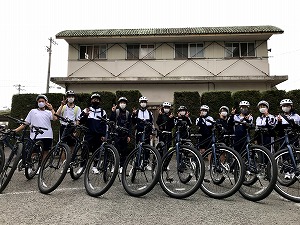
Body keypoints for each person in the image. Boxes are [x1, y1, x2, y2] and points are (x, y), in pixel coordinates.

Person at [14, 94, 57, 172]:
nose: (41, 102)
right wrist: (16, 130)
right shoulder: (33, 111)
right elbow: (26, 123)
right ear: (37, 102)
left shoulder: (48, 112)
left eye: (42, 101)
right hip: (35, 135)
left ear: (46, 102)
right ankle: (30, 166)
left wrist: (52, 109)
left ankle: (41, 167)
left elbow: (55, 118)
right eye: (39, 101)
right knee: (33, 152)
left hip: (47, 135)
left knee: (45, 151)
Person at [79, 93, 107, 174]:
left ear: (100, 101)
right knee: (85, 150)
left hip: (98, 135)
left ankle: (95, 166)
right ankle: (82, 166)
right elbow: (80, 121)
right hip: (88, 134)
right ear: (91, 100)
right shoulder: (86, 109)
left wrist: (103, 135)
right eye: (94, 99)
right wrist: (85, 115)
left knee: (97, 151)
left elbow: (104, 125)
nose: (96, 100)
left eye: (97, 99)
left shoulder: (102, 111)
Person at [275, 99, 300, 179]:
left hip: (293, 137)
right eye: (284, 106)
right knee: (284, 154)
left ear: (291, 106)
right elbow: (276, 129)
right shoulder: (279, 116)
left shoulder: (297, 116)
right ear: (281, 107)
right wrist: (279, 122)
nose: (286, 107)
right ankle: (287, 171)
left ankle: (294, 171)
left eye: (288, 105)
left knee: (294, 153)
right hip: (283, 137)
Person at [110, 97, 132, 173]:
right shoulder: (116, 111)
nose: (123, 104)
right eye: (121, 102)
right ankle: (114, 165)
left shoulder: (128, 113)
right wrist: (112, 112)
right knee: (115, 151)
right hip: (116, 134)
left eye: (124, 103)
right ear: (119, 104)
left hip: (124, 135)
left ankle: (122, 166)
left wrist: (129, 135)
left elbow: (130, 125)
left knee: (124, 152)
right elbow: (111, 121)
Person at [131, 96, 153, 170]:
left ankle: (145, 163)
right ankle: (137, 162)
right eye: (142, 102)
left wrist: (151, 133)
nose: (143, 103)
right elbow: (133, 122)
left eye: (144, 102)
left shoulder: (149, 112)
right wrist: (133, 115)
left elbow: (151, 123)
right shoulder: (136, 112)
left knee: (147, 148)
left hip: (147, 133)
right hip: (139, 132)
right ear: (140, 103)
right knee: (137, 147)